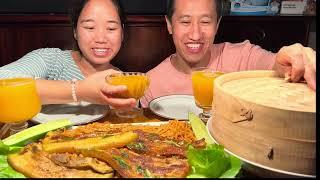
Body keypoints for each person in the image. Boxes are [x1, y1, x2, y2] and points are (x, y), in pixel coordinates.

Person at [140, 0, 316, 107]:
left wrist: (290, 59)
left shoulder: (242, 56)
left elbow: (274, 63)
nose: (195, 35)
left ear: (217, 25)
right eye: (185, 21)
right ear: (170, 25)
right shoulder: (151, 83)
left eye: (206, 22)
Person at [0, 0, 136, 109]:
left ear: (122, 33)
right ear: (75, 31)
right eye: (89, 27)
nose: (100, 38)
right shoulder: (51, 60)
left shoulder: (126, 82)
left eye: (111, 28)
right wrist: (80, 91)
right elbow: (3, 80)